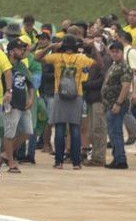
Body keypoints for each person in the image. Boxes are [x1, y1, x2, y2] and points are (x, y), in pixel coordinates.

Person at [34, 35, 98, 169]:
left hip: (59, 95)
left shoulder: (57, 57)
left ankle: (58, 162)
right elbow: (99, 64)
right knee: (75, 128)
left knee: (60, 128)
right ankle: (76, 162)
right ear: (75, 47)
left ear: (62, 47)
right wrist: (92, 48)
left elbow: (37, 57)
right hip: (77, 95)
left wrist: (50, 47)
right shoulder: (81, 58)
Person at [2, 40, 34, 172]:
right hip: (11, 104)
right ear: (11, 51)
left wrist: (31, 99)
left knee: (28, 132)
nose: (22, 51)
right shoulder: (5, 65)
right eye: (19, 49)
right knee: (9, 134)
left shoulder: (22, 66)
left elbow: (30, 84)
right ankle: (10, 162)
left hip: (23, 104)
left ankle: (5, 154)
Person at [100, 41, 132, 169]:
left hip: (117, 104)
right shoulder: (114, 66)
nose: (114, 54)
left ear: (122, 52)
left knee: (116, 132)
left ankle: (121, 160)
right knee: (112, 132)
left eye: (117, 52)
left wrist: (118, 103)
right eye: (112, 52)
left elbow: (125, 86)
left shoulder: (124, 67)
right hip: (110, 104)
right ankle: (117, 157)